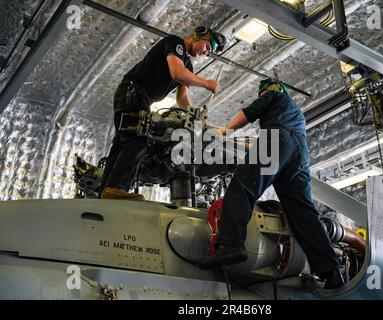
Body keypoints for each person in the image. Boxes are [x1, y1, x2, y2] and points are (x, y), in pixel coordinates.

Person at [198, 78, 345, 289]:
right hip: (300, 154)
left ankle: (230, 245)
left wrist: (224, 132)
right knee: (302, 211)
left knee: (243, 188)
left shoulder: (273, 96)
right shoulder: (296, 113)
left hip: (277, 139)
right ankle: (331, 271)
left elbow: (248, 114)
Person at [99, 27, 226, 201]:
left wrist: (194, 113)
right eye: (207, 47)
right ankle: (116, 189)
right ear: (199, 35)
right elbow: (177, 73)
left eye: (209, 53)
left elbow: (182, 98)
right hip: (133, 91)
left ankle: (106, 191)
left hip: (141, 98)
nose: (205, 52)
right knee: (138, 140)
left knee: (122, 143)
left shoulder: (188, 66)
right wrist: (206, 83)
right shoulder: (175, 43)